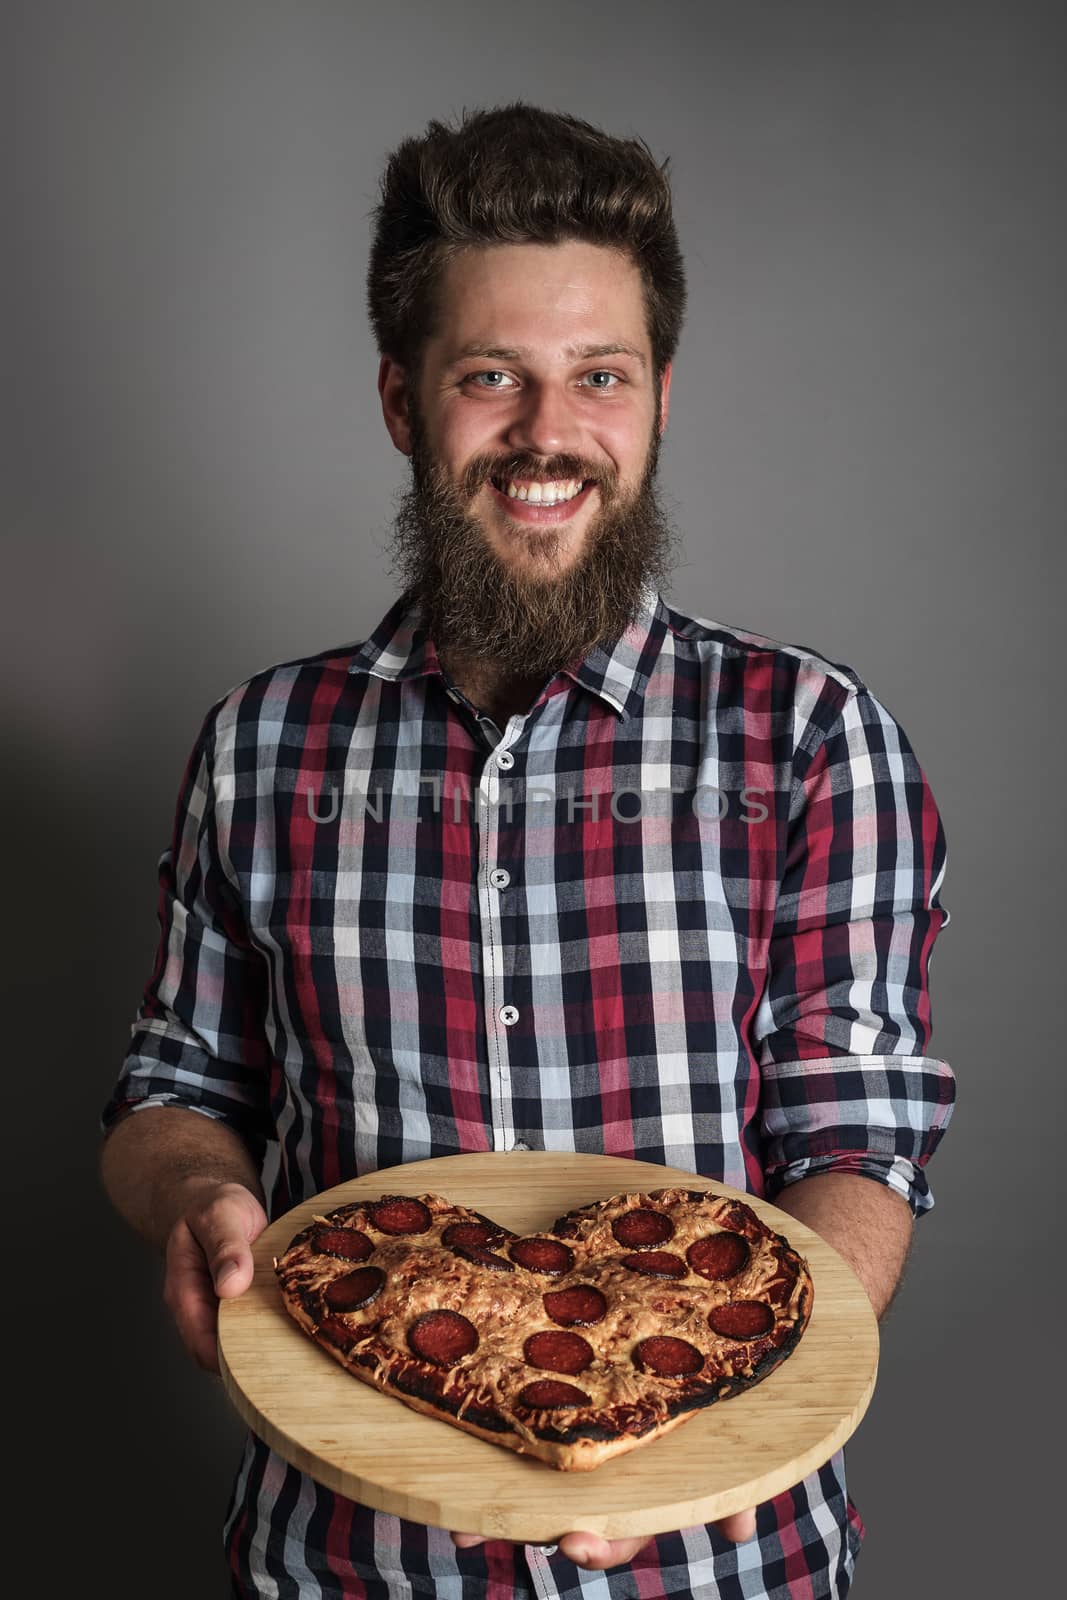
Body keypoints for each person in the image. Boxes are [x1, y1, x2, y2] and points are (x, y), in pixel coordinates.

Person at [100, 102, 956, 1599]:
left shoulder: (814, 740)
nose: (549, 435)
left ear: (661, 397)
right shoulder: (260, 746)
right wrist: (196, 1197)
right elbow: (176, 1091)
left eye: (599, 378)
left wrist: (690, 1436)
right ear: (401, 400)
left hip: (717, 1566)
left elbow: (858, 1147)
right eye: (492, 377)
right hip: (344, 1561)